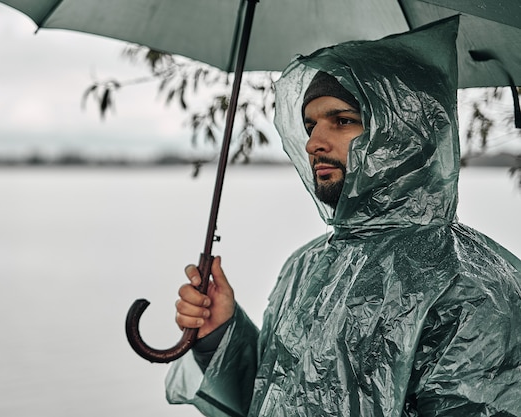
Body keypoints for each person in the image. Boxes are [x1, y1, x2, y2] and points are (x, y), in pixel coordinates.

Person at [165, 17, 521, 417]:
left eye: (343, 120)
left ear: (403, 131)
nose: (315, 143)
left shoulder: (473, 287)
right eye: (310, 125)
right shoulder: (305, 266)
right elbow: (274, 400)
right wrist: (221, 335)